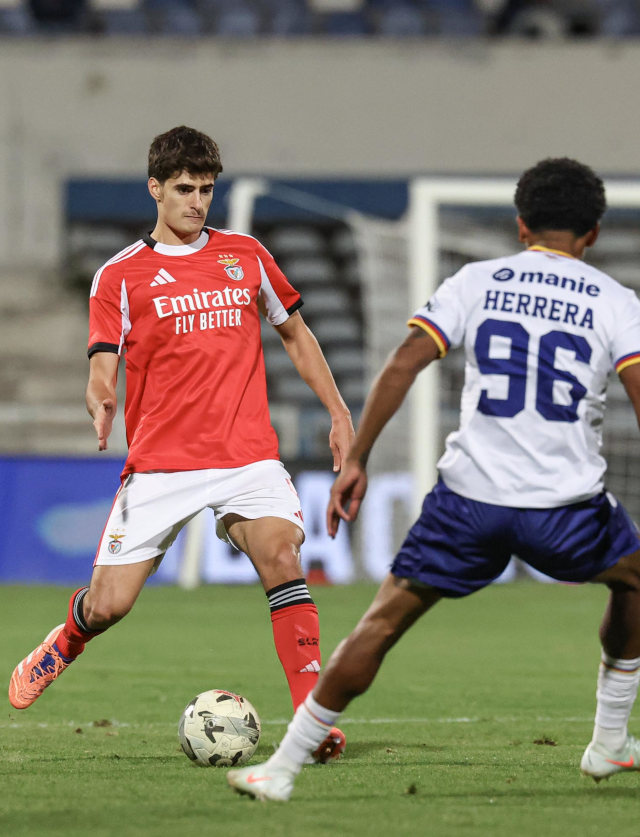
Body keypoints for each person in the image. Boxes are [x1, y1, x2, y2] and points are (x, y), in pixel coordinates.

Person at [227, 157, 640, 800]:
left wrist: (357, 456)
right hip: (564, 505)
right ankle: (609, 739)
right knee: (634, 580)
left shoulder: (476, 281)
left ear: (521, 222)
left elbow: (403, 362)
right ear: (592, 233)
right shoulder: (616, 302)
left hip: (468, 501)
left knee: (382, 622)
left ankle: (279, 769)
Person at [9, 126, 353, 762]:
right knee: (110, 605)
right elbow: (102, 362)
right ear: (155, 190)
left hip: (247, 454)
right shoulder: (120, 276)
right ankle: (68, 637)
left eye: (207, 190)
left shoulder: (246, 255)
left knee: (282, 555)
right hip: (162, 465)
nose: (198, 202)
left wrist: (338, 411)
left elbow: (297, 335)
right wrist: (101, 394)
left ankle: (312, 723)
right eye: (185, 190)